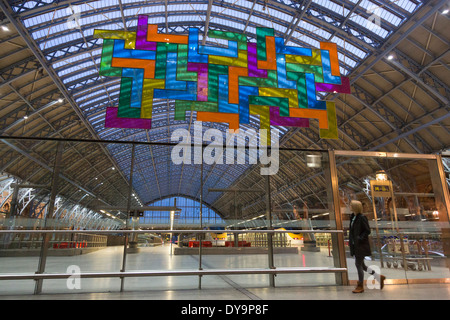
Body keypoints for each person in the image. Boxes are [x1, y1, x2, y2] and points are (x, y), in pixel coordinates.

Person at [349, 200, 385, 293]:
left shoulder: (361, 218)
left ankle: (360, 286)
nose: (350, 206)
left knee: (358, 264)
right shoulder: (353, 217)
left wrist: (359, 238)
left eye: (351, 205)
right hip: (355, 245)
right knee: (363, 265)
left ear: (355, 207)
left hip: (361, 245)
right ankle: (379, 277)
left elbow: (367, 230)